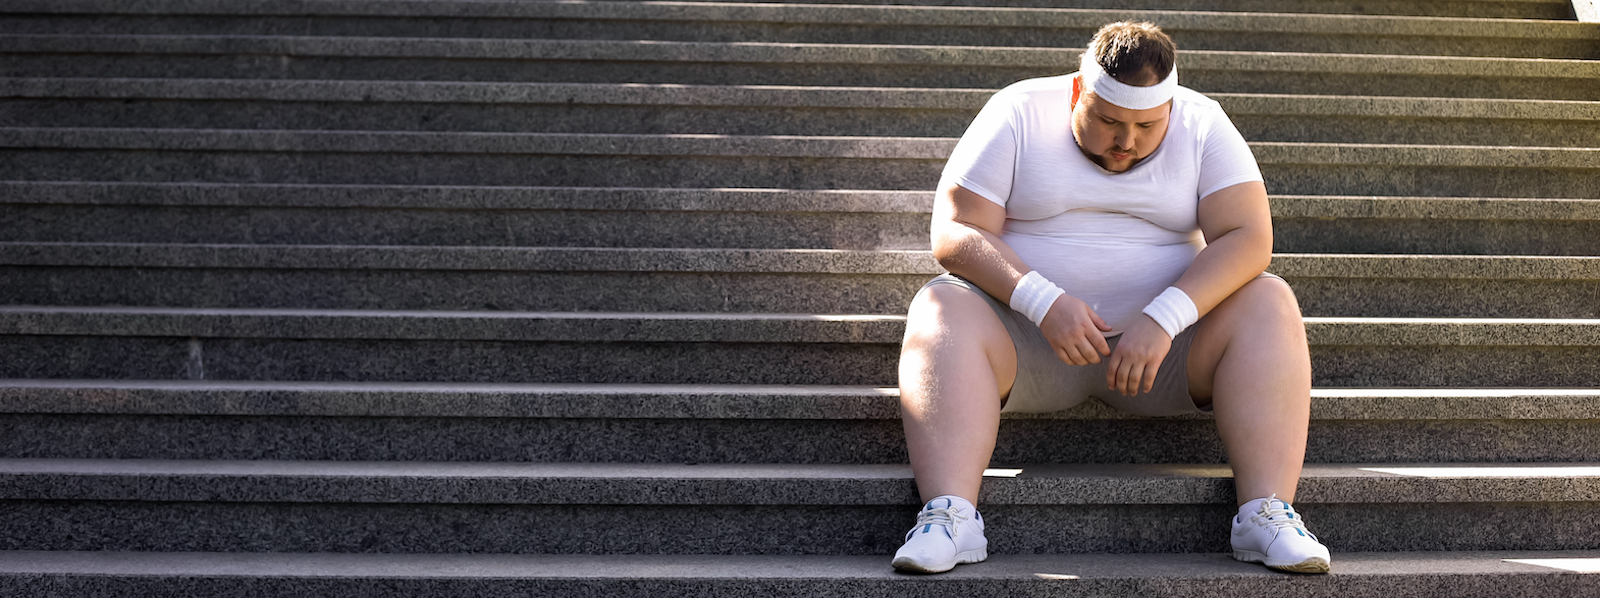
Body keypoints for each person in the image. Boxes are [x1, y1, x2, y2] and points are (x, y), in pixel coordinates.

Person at [891, 21, 1331, 575]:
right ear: (1079, 92)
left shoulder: (1203, 120)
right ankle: (950, 515)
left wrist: (1165, 316)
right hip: (1027, 345)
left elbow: (1249, 238)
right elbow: (956, 230)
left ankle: (1266, 513)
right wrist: (1041, 301)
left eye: (1148, 125)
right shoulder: (1019, 109)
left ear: (1170, 106)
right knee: (940, 304)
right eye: (1108, 121)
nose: (1126, 141)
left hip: (1164, 358)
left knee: (1270, 299)